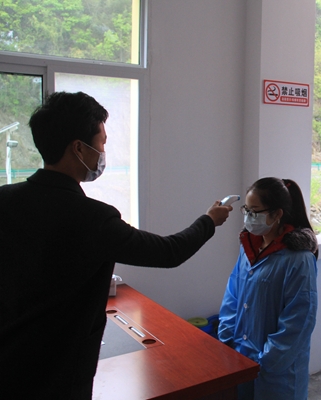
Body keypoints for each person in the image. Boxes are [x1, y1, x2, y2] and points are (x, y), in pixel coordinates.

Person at [0, 91, 232, 399]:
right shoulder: (93, 218)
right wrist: (209, 221)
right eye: (102, 142)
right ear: (78, 148)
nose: (102, 152)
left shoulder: (5, 200)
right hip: (59, 374)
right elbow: (169, 252)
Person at [218, 177, 318, 400]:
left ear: (277, 214)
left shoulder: (298, 259)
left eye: (255, 211)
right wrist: (228, 340)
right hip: (241, 359)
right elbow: (232, 295)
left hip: (277, 373)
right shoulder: (249, 248)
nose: (248, 217)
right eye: (246, 210)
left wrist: (266, 361)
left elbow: (298, 321)